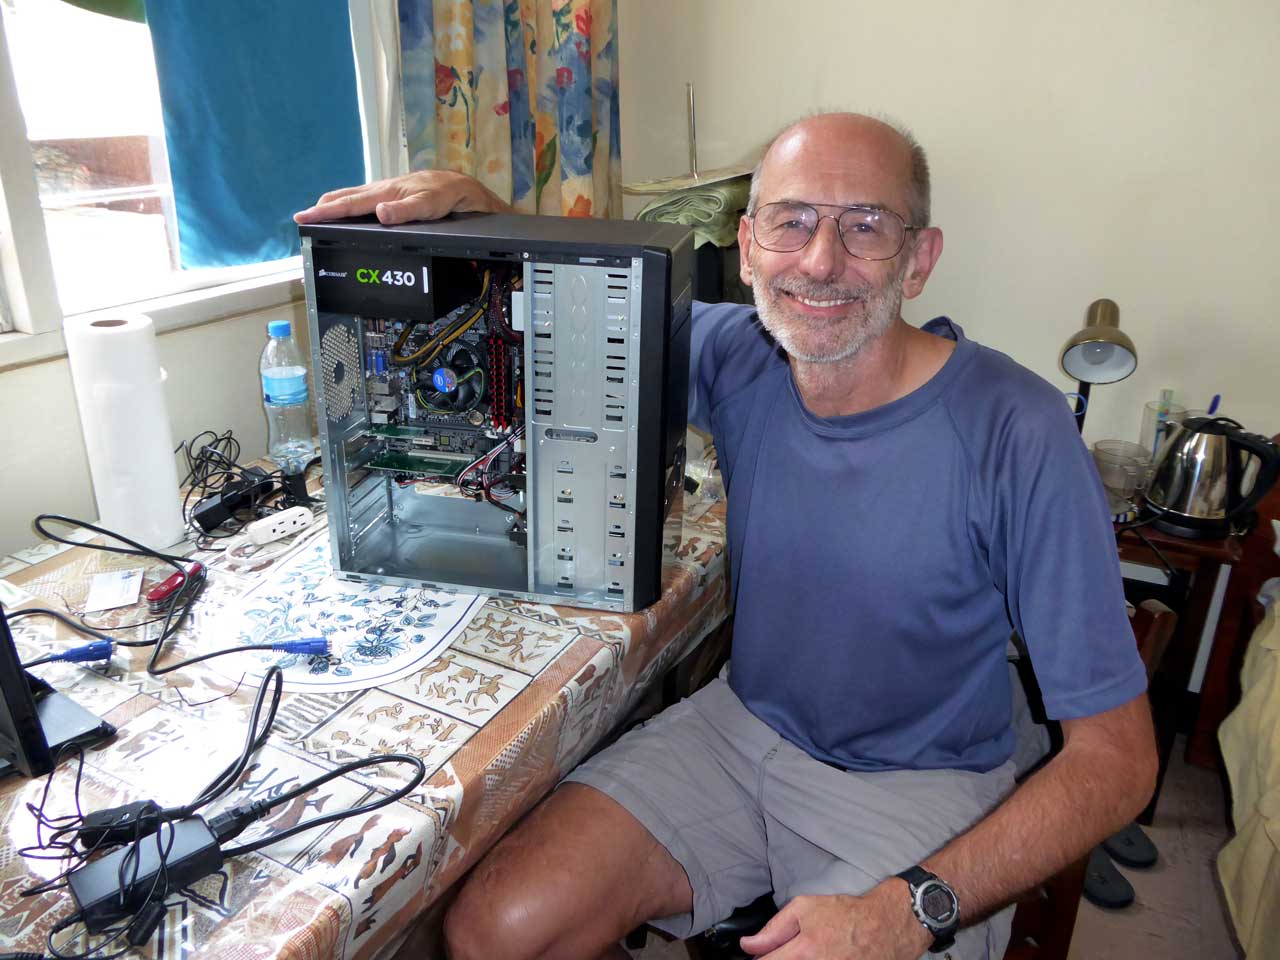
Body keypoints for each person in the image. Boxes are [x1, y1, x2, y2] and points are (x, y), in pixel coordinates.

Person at [296, 112, 1156, 960]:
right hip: (742, 730)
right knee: (494, 928)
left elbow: (1117, 763)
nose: (823, 261)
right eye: (793, 222)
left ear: (920, 260)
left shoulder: (1021, 431)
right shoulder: (739, 354)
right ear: (747, 248)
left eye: (866, 226)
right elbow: (588, 284)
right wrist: (479, 204)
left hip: (922, 784)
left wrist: (910, 909)